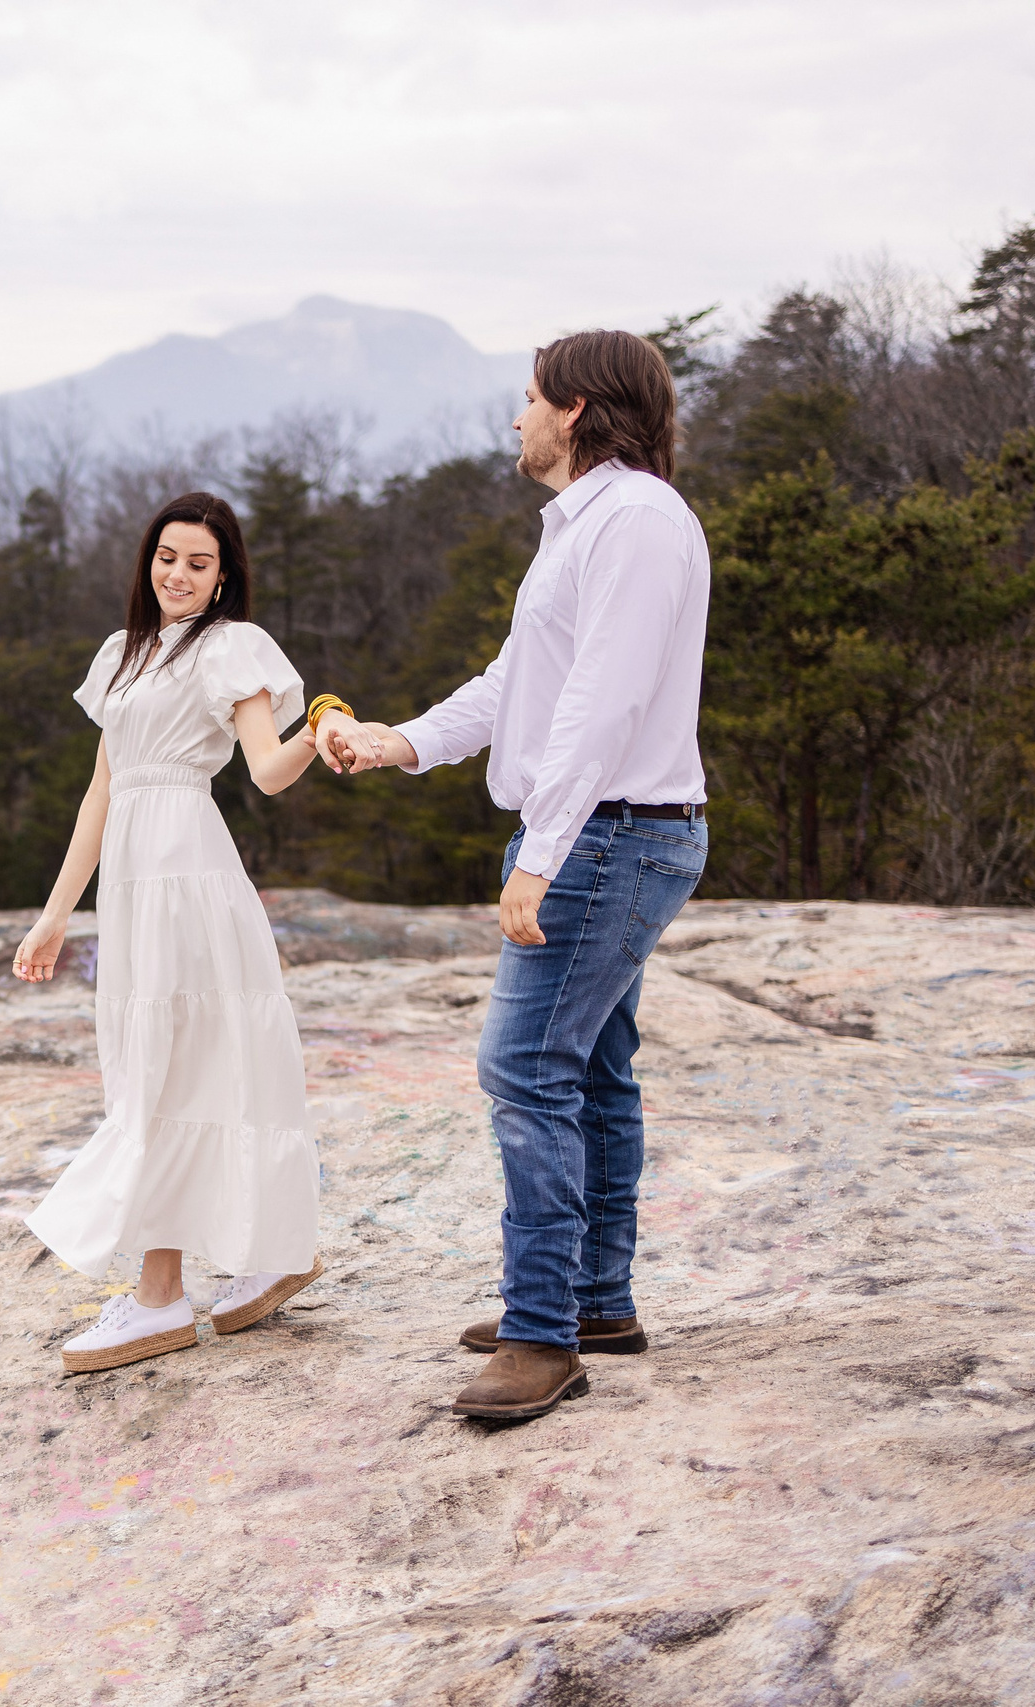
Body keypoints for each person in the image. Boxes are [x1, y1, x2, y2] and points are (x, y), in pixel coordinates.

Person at [317, 331, 711, 1422]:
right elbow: (521, 684)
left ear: (575, 410)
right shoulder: (590, 524)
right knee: (593, 1070)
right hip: (607, 831)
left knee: (525, 1070)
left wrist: (540, 854)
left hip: (607, 837)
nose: (516, 417)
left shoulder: (634, 521)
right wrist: (402, 741)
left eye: (529, 397)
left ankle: (543, 1333)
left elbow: (602, 705)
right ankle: (594, 1303)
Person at [12, 492, 336, 1375]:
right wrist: (55, 913)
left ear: (223, 574)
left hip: (189, 872)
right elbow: (100, 791)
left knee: (174, 1067)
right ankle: (270, 1250)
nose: (178, 575)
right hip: (132, 882)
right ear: (147, 561)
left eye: (198, 562)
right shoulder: (122, 653)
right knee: (160, 1061)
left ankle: (160, 1297)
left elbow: (267, 771)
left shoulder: (230, 646)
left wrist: (321, 726)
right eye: (167, 557)